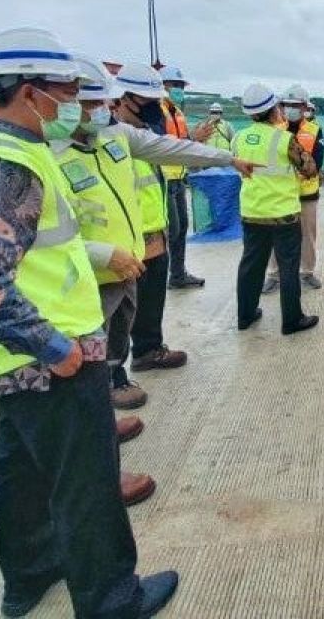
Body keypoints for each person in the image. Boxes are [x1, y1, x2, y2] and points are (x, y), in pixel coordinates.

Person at [0, 28, 177, 619]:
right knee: (86, 482)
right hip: (45, 356)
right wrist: (54, 346)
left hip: (12, 360)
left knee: (20, 472)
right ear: (30, 91)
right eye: (68, 89)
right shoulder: (5, 167)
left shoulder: (8, 151)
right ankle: (113, 599)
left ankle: (31, 575)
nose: (77, 103)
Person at [65, 57, 249, 413]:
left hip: (130, 249)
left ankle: (115, 380)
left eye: (101, 102)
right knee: (91, 338)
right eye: (91, 104)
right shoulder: (51, 155)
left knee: (121, 324)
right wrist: (104, 254)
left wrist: (226, 158)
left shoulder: (114, 137)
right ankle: (100, 402)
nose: (100, 110)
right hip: (92, 265)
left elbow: (173, 149)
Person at [111, 63, 200, 395]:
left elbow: (180, 150)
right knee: (118, 310)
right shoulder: (109, 140)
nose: (155, 107)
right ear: (122, 99)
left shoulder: (141, 136)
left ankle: (149, 349)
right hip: (126, 239)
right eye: (147, 100)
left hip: (153, 228)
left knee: (150, 300)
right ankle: (113, 376)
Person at [233, 84, 319, 335]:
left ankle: (245, 316)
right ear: (273, 110)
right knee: (289, 267)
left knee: (250, 265)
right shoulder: (284, 139)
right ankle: (292, 320)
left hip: (251, 213)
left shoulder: (238, 137)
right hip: (283, 215)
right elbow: (309, 168)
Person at [262, 85, 324, 293]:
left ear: (305, 107)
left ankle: (307, 272)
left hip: (306, 193)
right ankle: (273, 274)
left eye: (295, 105)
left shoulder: (315, 131)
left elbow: (317, 162)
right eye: (287, 105)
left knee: (308, 234)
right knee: (276, 235)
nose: (290, 109)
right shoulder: (275, 129)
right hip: (280, 194)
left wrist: (298, 169)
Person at [158, 65, 204, 290]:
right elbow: (160, 145)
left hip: (178, 177)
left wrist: (195, 140)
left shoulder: (178, 113)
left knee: (182, 227)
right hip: (163, 179)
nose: (179, 90)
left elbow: (185, 142)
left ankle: (178, 274)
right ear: (162, 86)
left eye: (180, 86)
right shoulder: (157, 111)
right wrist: (194, 139)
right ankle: (167, 274)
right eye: (175, 86)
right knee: (172, 229)